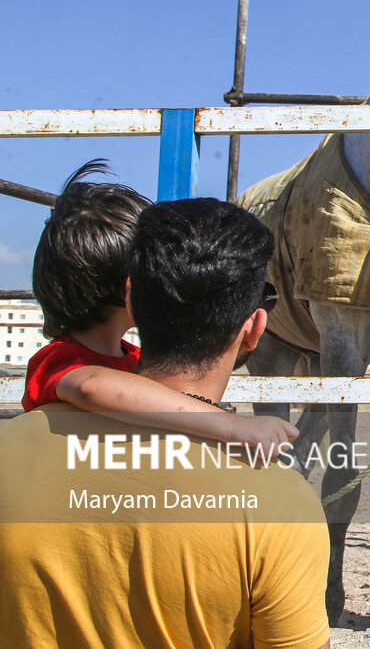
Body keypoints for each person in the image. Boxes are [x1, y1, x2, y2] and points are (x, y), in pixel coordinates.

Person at [0, 198, 330, 647]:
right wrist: (228, 426)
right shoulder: (282, 506)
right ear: (254, 327)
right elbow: (95, 388)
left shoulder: (18, 443)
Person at [25, 160, 297, 458]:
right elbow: (92, 386)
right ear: (131, 289)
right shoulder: (59, 361)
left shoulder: (130, 357)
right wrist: (228, 425)